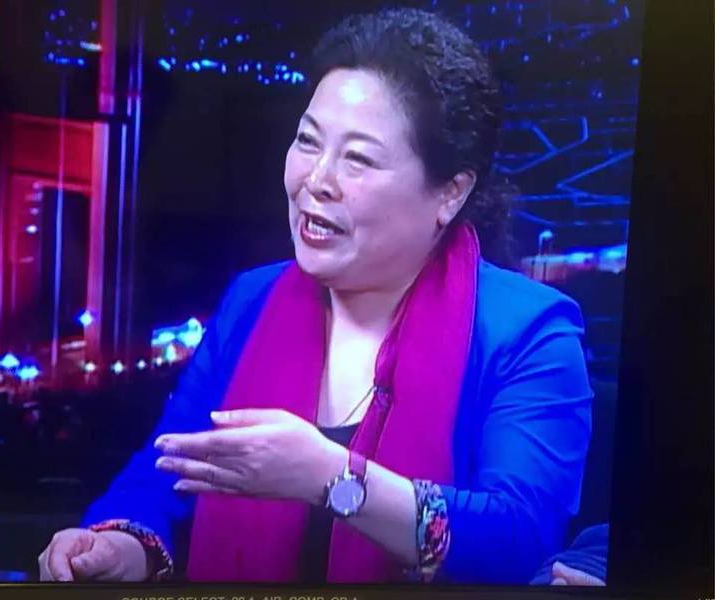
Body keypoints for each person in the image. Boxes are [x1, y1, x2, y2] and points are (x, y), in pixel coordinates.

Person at [38, 7, 592, 584]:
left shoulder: (528, 333)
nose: (316, 180)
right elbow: (168, 472)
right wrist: (119, 546)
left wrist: (332, 479)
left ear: (449, 193)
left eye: (358, 159)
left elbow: (518, 540)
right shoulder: (253, 301)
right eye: (308, 142)